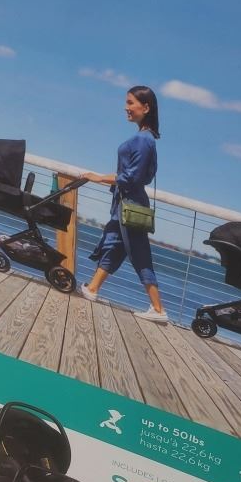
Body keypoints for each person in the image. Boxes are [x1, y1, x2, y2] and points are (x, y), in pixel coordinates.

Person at [79, 86, 167, 322]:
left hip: (131, 204)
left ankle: (159, 309)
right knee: (114, 244)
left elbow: (133, 177)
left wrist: (98, 177)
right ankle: (93, 288)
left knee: (139, 253)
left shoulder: (143, 140)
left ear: (145, 108)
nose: (126, 107)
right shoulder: (145, 138)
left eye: (130, 103)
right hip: (125, 202)